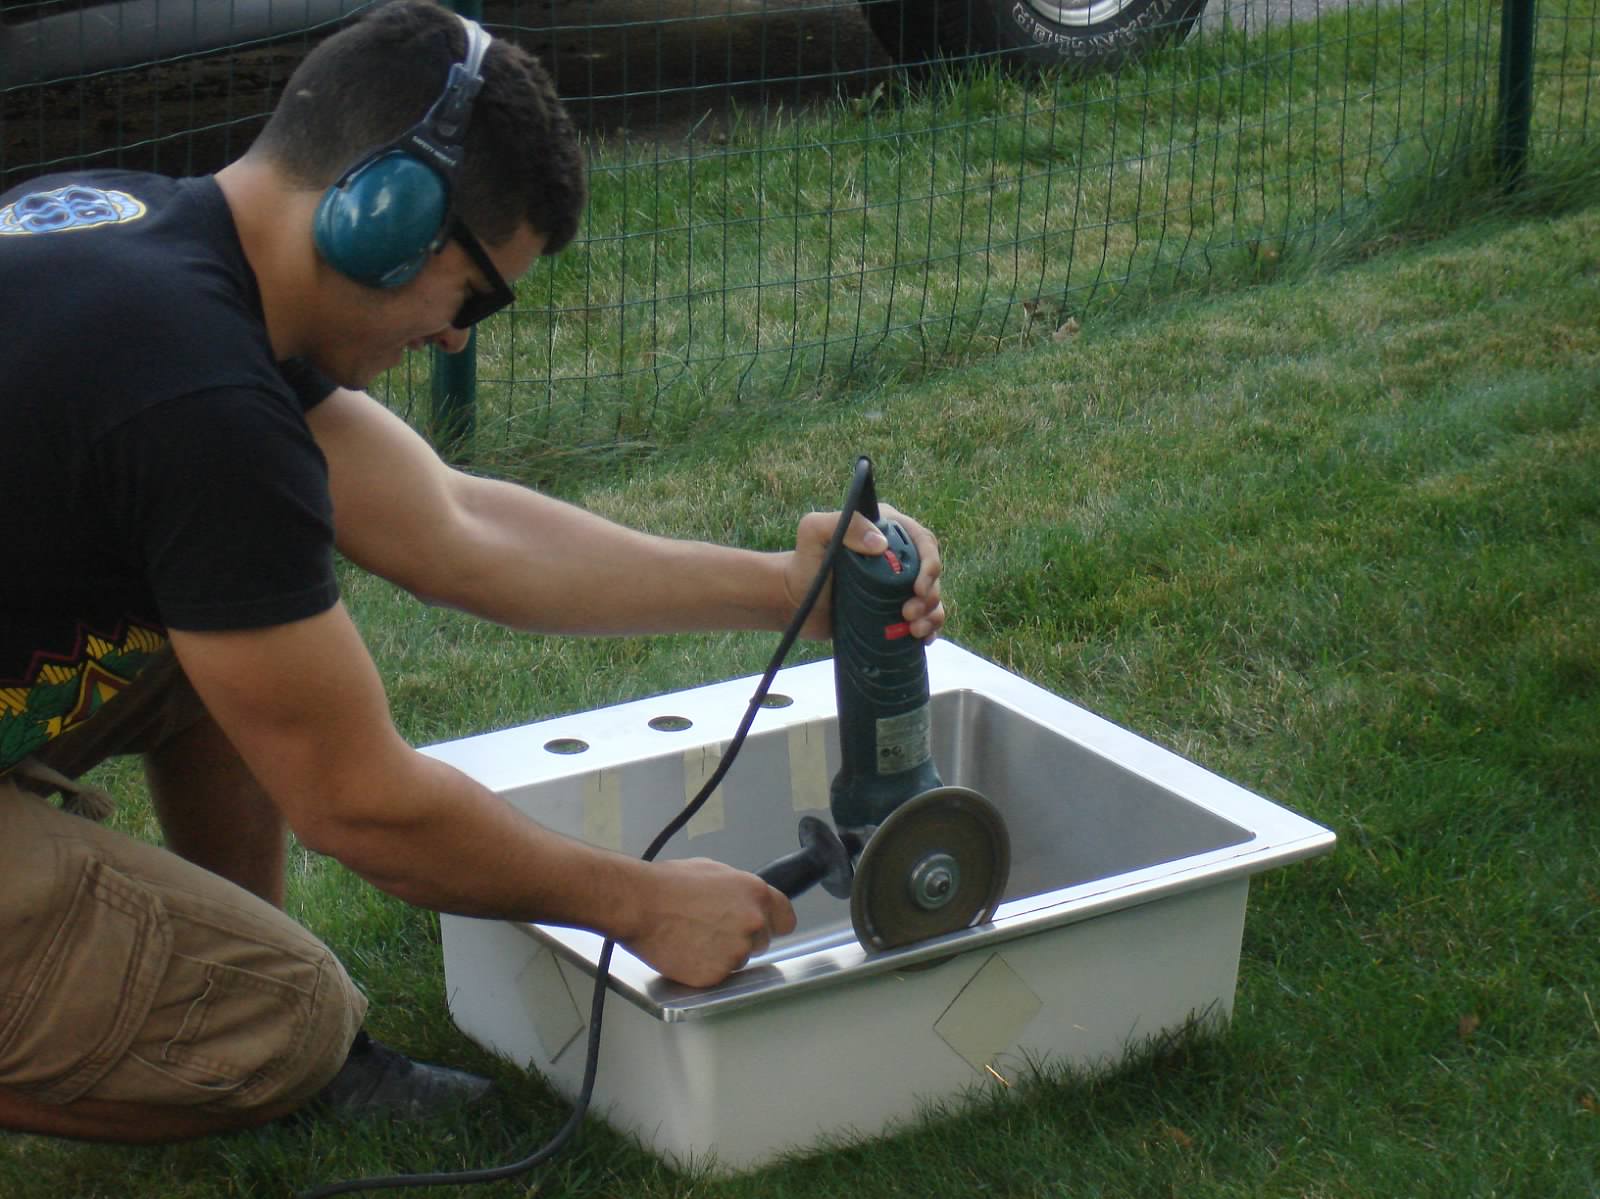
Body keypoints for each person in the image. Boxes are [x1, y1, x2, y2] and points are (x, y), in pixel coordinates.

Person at [0, 0, 943, 1145]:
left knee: (232, 637)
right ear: (379, 217)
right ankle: (244, 1019)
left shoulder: (155, 246)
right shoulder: (199, 400)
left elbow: (457, 528)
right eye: (478, 294)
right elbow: (359, 804)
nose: (455, 338)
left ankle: (214, 958)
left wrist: (785, 586)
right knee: (286, 1024)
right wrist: (638, 902)